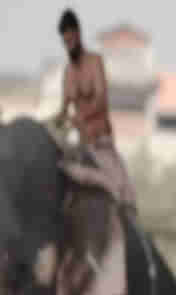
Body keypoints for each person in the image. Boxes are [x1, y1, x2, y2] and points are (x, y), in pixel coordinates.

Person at [53, 9, 136, 212]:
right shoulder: (68, 72)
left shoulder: (94, 62)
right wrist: (53, 121)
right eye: (65, 42)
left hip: (101, 142)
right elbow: (64, 111)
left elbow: (101, 100)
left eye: (71, 40)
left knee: (123, 194)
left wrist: (80, 116)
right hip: (83, 145)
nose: (68, 46)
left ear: (78, 35)